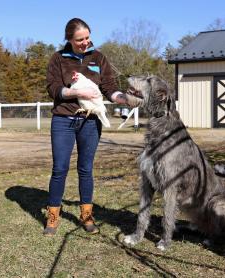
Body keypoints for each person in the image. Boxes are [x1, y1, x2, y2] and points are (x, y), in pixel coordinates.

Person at [44, 18, 141, 236]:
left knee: (86, 169)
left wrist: (124, 98)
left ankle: (86, 215)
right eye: (80, 39)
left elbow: (109, 88)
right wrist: (77, 92)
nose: (85, 42)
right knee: (60, 169)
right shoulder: (58, 58)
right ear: (69, 39)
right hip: (63, 120)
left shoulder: (98, 58)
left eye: (87, 37)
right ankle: (53, 216)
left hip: (90, 120)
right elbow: (53, 88)